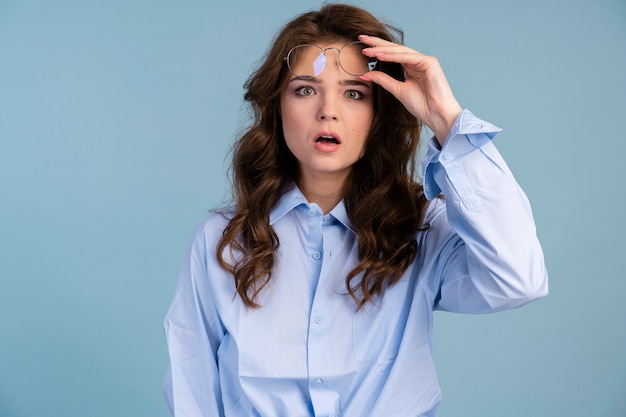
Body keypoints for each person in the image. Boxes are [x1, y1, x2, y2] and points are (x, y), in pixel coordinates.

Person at [162, 4, 548, 416]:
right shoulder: (221, 241)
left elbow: (518, 280)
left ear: (377, 115)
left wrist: (447, 120)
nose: (328, 110)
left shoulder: (422, 230)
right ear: (278, 107)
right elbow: (193, 386)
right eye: (305, 89)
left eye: (353, 93)